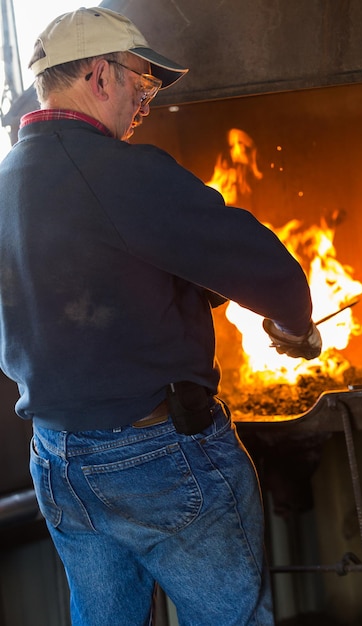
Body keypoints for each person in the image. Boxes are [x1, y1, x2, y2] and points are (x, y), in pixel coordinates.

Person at [0, 7, 321, 626]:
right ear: (100, 76)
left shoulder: (9, 179)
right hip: (155, 457)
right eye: (141, 89)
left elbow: (88, 294)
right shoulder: (120, 172)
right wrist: (289, 323)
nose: (141, 109)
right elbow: (273, 271)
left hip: (55, 456)